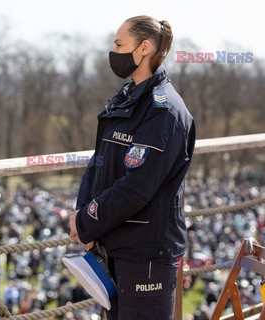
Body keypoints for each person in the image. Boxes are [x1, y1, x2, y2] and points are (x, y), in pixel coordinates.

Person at [68, 15, 196, 320]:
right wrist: (84, 217)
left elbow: (137, 187)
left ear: (144, 48)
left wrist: (87, 221)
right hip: (114, 245)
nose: (113, 52)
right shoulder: (126, 99)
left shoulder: (164, 111)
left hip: (145, 254)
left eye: (119, 44)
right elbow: (100, 163)